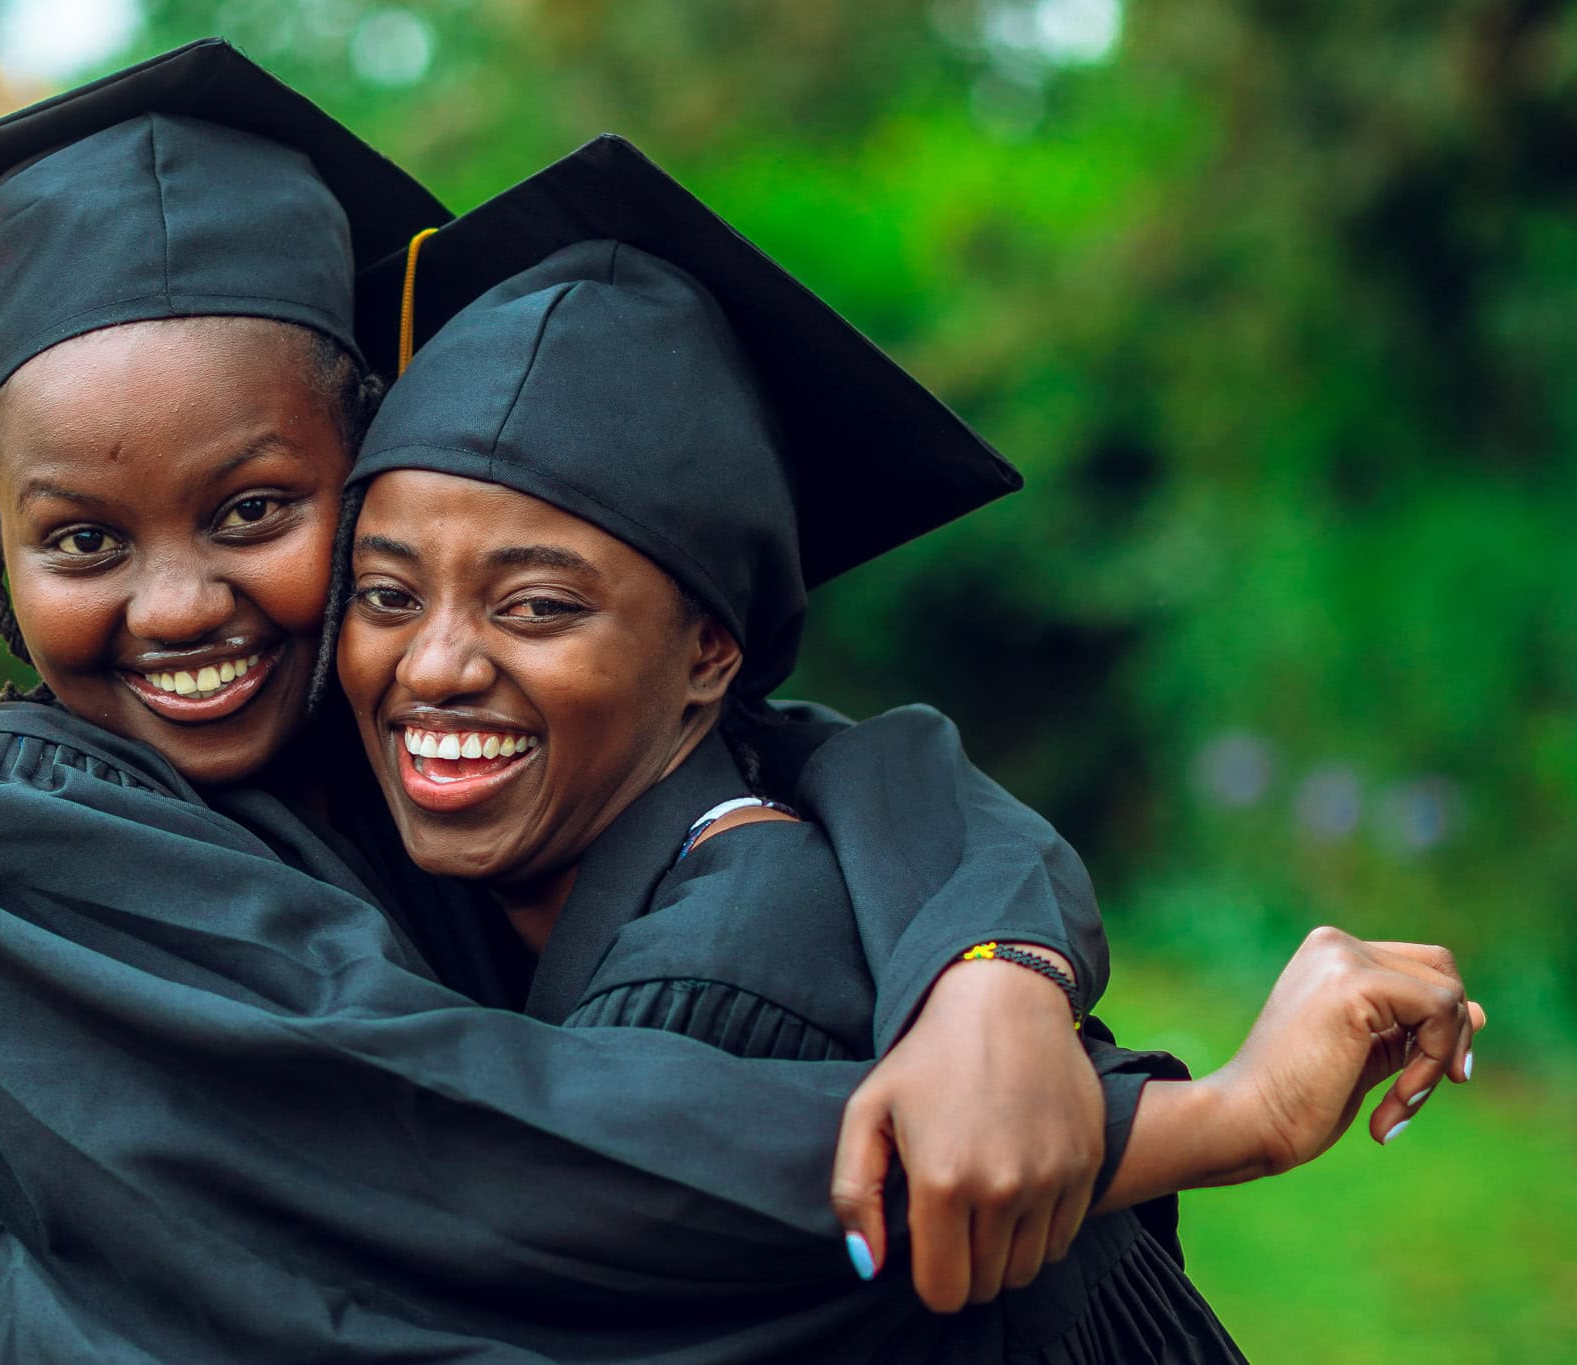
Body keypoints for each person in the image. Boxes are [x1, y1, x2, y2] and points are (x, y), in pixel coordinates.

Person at [0, 42, 1142, 1360]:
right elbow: (468, 1154)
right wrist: (1183, 1120)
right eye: (84, 540)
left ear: (366, 490)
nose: (176, 605)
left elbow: (816, 753)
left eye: (252, 511)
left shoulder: (396, 768)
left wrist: (994, 980)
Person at [330, 138, 1483, 1359]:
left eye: (536, 606)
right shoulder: (665, 841)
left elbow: (548, 1235)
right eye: (385, 593)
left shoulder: (740, 953)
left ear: (710, 655)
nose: (434, 664)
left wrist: (1216, 1113)